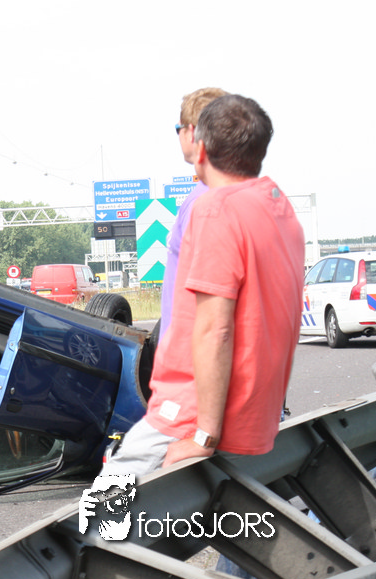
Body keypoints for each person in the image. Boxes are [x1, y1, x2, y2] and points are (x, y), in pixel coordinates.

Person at [103, 94, 305, 476]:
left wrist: (204, 436)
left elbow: (216, 329)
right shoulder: (279, 206)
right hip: (253, 412)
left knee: (105, 503)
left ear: (201, 147)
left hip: (190, 411)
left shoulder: (216, 209)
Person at [162, 87, 228, 329]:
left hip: (189, 346)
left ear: (191, 132)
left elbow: (210, 311)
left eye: (177, 129)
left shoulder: (203, 204)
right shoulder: (238, 193)